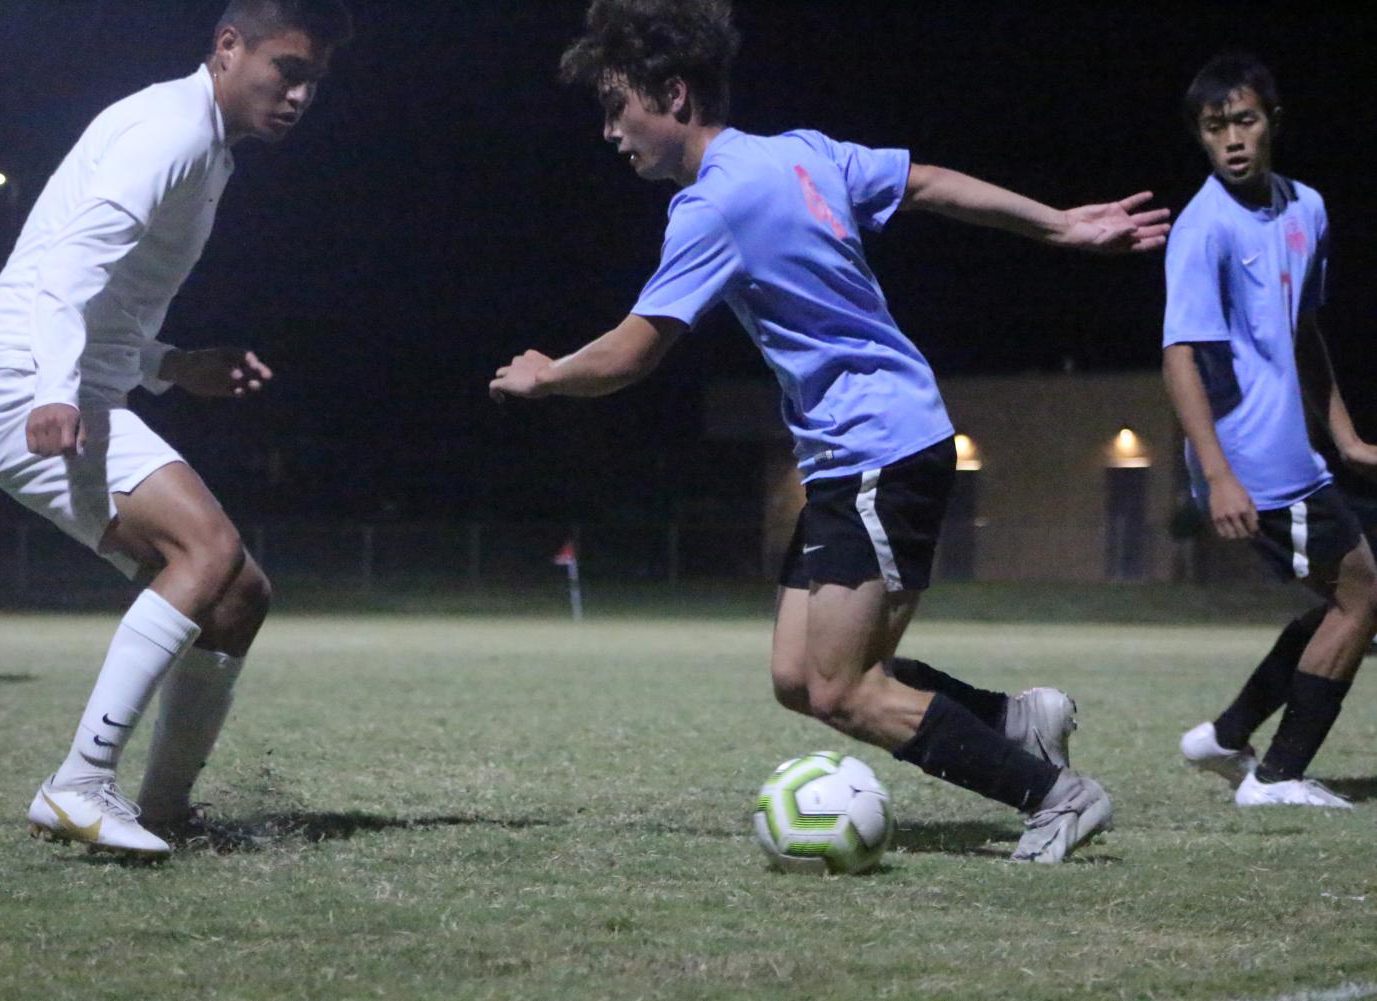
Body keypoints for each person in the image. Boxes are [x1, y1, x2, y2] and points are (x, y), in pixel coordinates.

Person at [491, 0, 1170, 863]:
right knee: (796, 677)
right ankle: (1013, 718)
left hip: (880, 448)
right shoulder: (800, 151)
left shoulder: (712, 205)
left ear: (672, 94)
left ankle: (1055, 795)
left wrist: (545, 373)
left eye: (615, 106)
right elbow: (924, 180)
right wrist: (1059, 223)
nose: (608, 131)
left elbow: (632, 353)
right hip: (856, 452)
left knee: (842, 689)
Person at [0, 0, 352, 858]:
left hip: (76, 384)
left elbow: (115, 302)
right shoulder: (169, 131)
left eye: (313, 81)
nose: (298, 95)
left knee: (241, 594)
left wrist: (172, 364)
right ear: (227, 46)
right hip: (26, 385)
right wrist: (55, 390)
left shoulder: (208, 151)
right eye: (287, 69)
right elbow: (65, 271)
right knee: (204, 547)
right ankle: (78, 783)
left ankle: (165, 809)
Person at [1164, 53, 1377, 808]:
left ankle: (1226, 736)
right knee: (1363, 596)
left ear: (1272, 123)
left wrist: (1345, 437)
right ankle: (1276, 775)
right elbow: (1179, 355)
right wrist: (1217, 472)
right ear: (1200, 135)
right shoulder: (1202, 228)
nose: (1230, 139)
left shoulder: (1305, 209)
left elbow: (1303, 330)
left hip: (1294, 450)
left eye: (1243, 121)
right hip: (1251, 459)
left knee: (1344, 599)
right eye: (1213, 126)